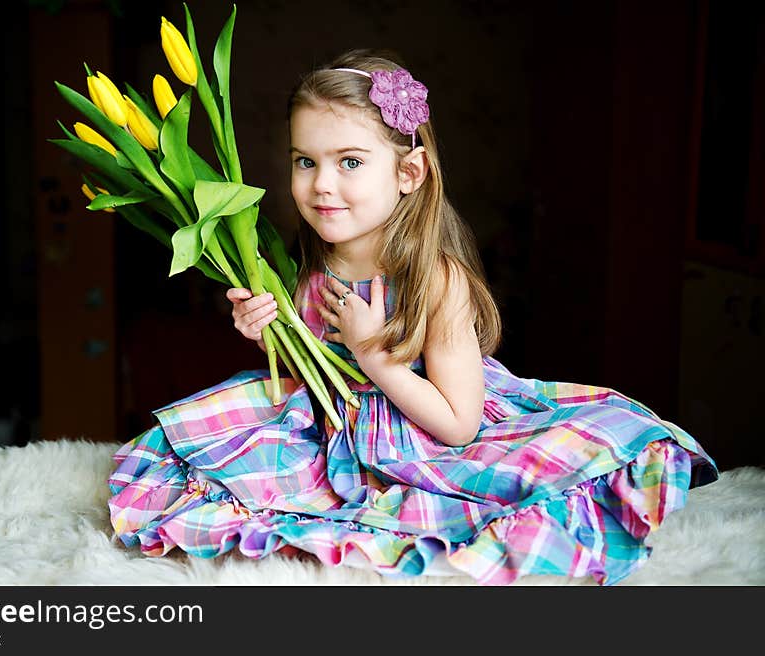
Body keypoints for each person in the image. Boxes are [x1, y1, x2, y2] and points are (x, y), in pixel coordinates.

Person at [108, 49, 717, 585]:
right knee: (188, 449)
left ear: (409, 171)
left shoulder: (436, 281)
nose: (322, 184)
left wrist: (374, 353)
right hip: (329, 426)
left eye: (350, 161)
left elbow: (459, 426)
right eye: (304, 161)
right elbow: (310, 362)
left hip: (423, 425)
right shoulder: (303, 264)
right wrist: (266, 325)